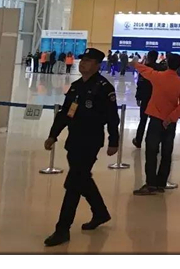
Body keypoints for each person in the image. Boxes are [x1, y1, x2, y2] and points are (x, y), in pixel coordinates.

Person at [42, 48, 120, 247]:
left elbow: (112, 117)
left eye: (88, 60)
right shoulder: (76, 87)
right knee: (82, 178)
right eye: (83, 59)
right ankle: (100, 212)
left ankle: (62, 229)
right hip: (74, 140)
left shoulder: (104, 88)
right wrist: (53, 135)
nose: (83, 63)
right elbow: (65, 113)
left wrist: (114, 140)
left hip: (90, 142)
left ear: (97, 65)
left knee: (73, 184)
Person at [131, 53, 180, 195]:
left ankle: (151, 184)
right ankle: (161, 183)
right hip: (170, 123)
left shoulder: (158, 76)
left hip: (156, 119)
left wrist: (135, 63)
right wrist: (171, 118)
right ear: (179, 66)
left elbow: (145, 70)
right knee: (166, 153)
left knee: (151, 151)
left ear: (167, 63)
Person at [133, 50, 157, 149]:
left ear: (148, 57)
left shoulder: (144, 69)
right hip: (156, 98)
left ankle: (138, 140)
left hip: (145, 98)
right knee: (155, 121)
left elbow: (140, 84)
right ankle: (153, 143)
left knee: (143, 120)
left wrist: (138, 97)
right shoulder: (160, 69)